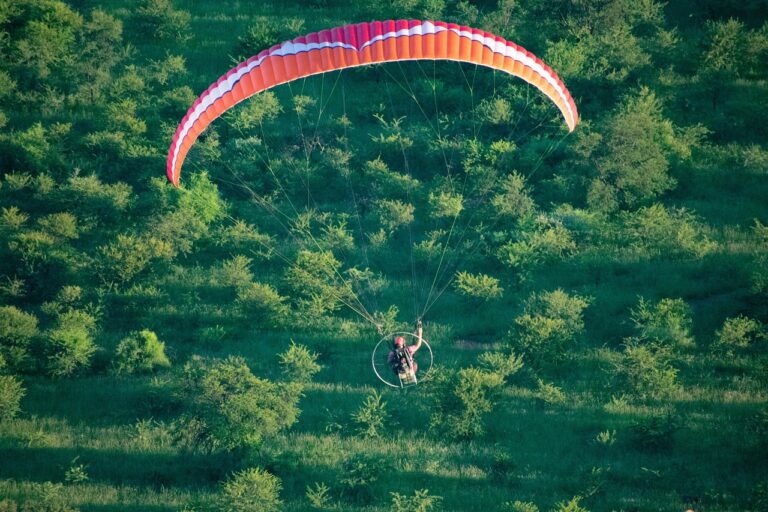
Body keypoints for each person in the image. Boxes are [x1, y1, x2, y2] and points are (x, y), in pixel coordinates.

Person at [388, 320, 423, 386]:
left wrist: (396, 364)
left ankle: (403, 371)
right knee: (414, 364)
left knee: (397, 367)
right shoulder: (408, 349)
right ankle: (409, 372)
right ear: (403, 344)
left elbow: (389, 363)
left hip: (399, 370)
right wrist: (420, 332)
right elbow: (418, 344)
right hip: (410, 367)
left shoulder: (392, 353)